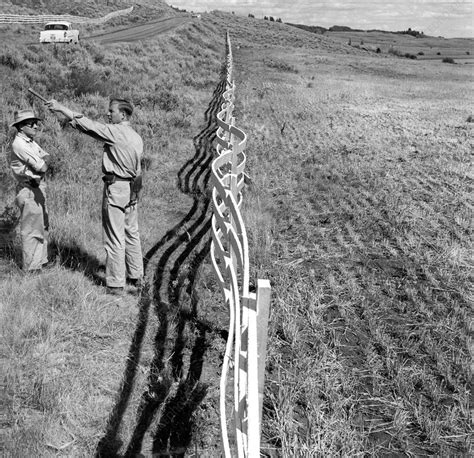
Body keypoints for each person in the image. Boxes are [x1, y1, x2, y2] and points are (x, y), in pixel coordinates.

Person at [47, 98, 144, 295]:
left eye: (111, 111)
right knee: (131, 233)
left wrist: (61, 108)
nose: (108, 114)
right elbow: (139, 172)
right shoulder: (137, 137)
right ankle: (136, 277)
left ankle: (116, 284)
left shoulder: (115, 132)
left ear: (123, 115)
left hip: (115, 187)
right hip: (131, 189)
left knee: (115, 238)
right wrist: (135, 194)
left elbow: (88, 125)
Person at [9, 109, 51, 272]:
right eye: (30, 123)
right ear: (20, 127)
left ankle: (41, 261)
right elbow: (42, 166)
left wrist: (44, 162)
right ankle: (32, 268)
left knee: (42, 226)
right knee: (32, 228)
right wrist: (44, 163)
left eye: (36, 122)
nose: (35, 125)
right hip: (29, 189)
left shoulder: (30, 141)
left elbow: (46, 157)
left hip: (37, 188)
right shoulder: (19, 144)